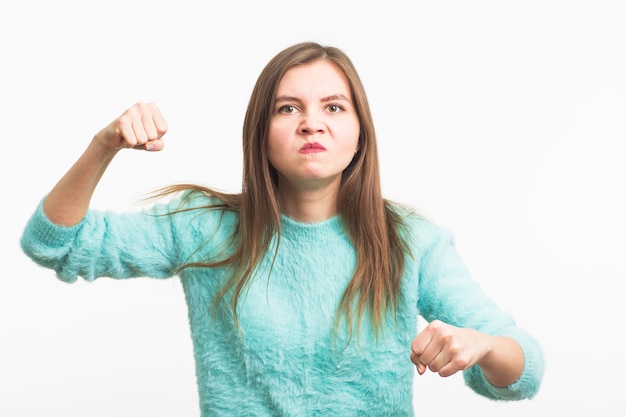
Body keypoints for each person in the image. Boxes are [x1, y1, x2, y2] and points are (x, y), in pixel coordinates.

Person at [20, 41, 544, 416]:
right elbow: (55, 243)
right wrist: (103, 145)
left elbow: (524, 370)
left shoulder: (409, 240)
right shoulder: (206, 228)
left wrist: (481, 344)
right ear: (261, 134)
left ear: (359, 134)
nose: (311, 122)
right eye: (288, 108)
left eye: (333, 108)